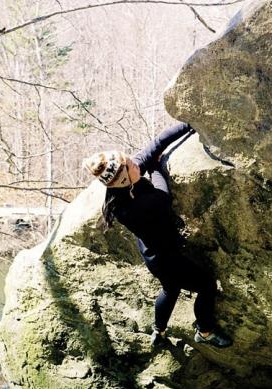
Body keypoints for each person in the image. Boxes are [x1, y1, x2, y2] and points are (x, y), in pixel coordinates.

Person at [83, 123, 232, 348]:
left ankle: (159, 332)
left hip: (153, 253)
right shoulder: (131, 209)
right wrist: (154, 168)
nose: (135, 161)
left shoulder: (122, 183)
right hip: (167, 259)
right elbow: (163, 195)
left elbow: (157, 144)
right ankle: (205, 331)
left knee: (170, 289)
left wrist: (189, 123)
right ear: (124, 178)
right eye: (131, 164)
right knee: (206, 285)